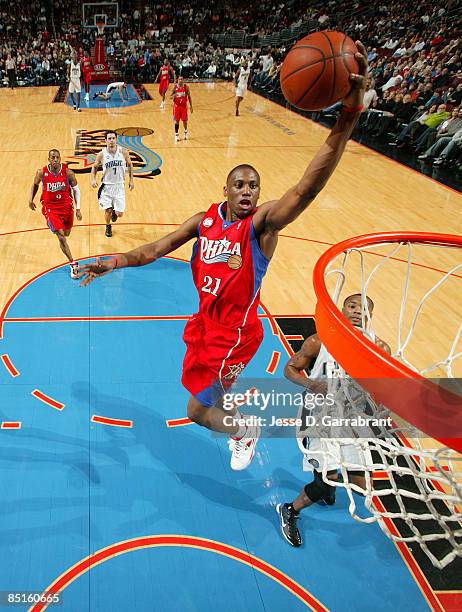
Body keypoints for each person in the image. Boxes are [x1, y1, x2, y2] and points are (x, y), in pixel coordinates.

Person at [78, 42, 368, 472]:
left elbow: (307, 187)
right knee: (202, 401)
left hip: (234, 333)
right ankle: (233, 410)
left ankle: (244, 428)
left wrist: (347, 117)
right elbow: (153, 250)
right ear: (226, 191)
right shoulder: (205, 220)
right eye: (241, 184)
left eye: (255, 185)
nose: (249, 190)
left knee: (197, 409)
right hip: (204, 324)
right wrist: (114, 261)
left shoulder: (262, 226)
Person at [276, 294, 391, 547]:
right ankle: (290, 510)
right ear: (342, 309)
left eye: (364, 309)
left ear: (371, 316)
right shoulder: (319, 342)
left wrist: (382, 410)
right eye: (352, 306)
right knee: (324, 480)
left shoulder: (380, 348)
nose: (358, 311)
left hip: (353, 420)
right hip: (320, 417)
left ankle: (327, 488)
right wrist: (310, 383)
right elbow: (289, 369)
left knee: (360, 480)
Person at [29, 149, 82, 279]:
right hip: (50, 209)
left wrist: (78, 208)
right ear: (49, 159)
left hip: (66, 207)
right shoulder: (41, 173)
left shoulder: (68, 173)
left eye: (57, 157)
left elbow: (76, 190)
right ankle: (73, 263)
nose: (55, 160)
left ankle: (59, 232)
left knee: (66, 234)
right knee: (61, 236)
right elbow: (35, 185)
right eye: (53, 157)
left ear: (60, 158)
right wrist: (30, 199)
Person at [90, 130, 134, 238]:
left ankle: (115, 211)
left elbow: (130, 164)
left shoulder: (123, 152)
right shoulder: (101, 154)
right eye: (109, 138)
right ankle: (108, 226)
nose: (111, 141)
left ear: (116, 139)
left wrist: (131, 180)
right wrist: (93, 179)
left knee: (120, 214)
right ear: (105, 140)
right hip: (106, 186)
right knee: (107, 210)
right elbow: (94, 167)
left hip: (119, 185)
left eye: (113, 138)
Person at [170, 76, 193, 141]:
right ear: (177, 80)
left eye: (181, 79)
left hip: (183, 106)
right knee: (176, 121)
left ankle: (185, 132)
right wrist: (174, 95)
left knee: (184, 120)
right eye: (179, 79)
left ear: (183, 80)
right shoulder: (175, 87)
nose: (180, 80)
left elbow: (189, 97)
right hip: (177, 106)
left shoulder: (186, 87)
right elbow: (170, 97)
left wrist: (191, 106)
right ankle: (176, 135)